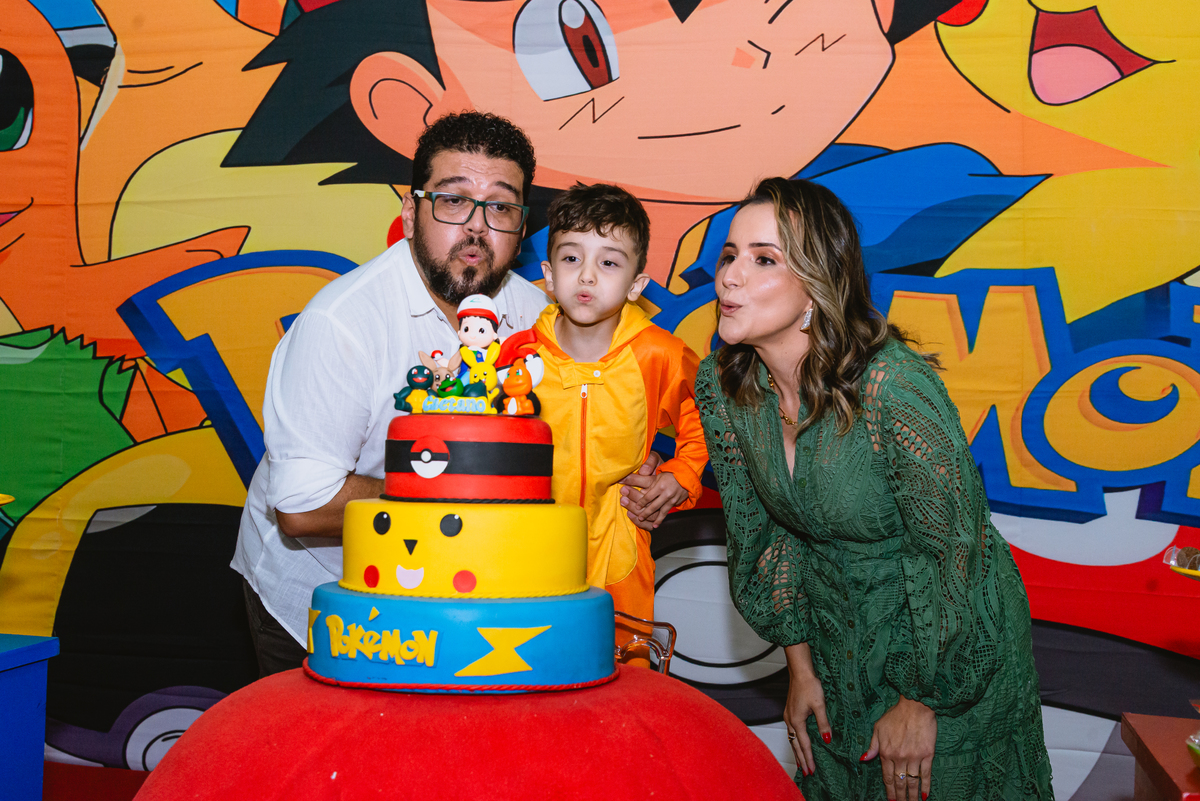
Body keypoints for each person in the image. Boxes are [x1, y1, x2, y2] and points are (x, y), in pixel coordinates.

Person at [693, 177, 1053, 799]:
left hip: (949, 650)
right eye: (730, 254)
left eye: (763, 259)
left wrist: (922, 700)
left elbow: (954, 554)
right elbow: (764, 540)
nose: (729, 276)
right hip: (838, 644)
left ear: (817, 283)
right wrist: (799, 669)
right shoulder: (724, 388)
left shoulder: (894, 390)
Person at [231, 111, 553, 677]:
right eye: (453, 201)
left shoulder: (538, 318)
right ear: (410, 214)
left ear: (521, 227)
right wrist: (463, 496)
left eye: (500, 206)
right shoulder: (343, 321)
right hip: (319, 593)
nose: (477, 227)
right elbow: (303, 508)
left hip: (458, 594)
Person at [532, 183, 709, 650]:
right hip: (529, 549)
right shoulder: (519, 358)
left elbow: (709, 415)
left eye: (608, 262)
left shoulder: (659, 354)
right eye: (572, 259)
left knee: (619, 686)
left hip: (620, 550)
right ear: (548, 274)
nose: (587, 277)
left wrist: (682, 476)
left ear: (635, 285)